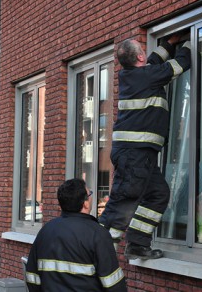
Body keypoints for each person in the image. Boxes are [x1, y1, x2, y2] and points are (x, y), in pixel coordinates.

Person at [99, 34, 191, 260]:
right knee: (125, 199)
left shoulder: (137, 75)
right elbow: (179, 65)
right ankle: (99, 250)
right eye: (142, 49)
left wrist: (169, 43)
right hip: (134, 154)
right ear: (139, 56)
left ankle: (138, 244)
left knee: (158, 194)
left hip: (139, 154)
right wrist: (193, 39)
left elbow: (154, 61)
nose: (145, 52)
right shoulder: (146, 76)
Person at [25, 178, 127, 292]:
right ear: (85, 204)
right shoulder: (98, 234)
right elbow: (114, 284)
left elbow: (32, 277)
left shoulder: (45, 231)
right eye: (90, 194)